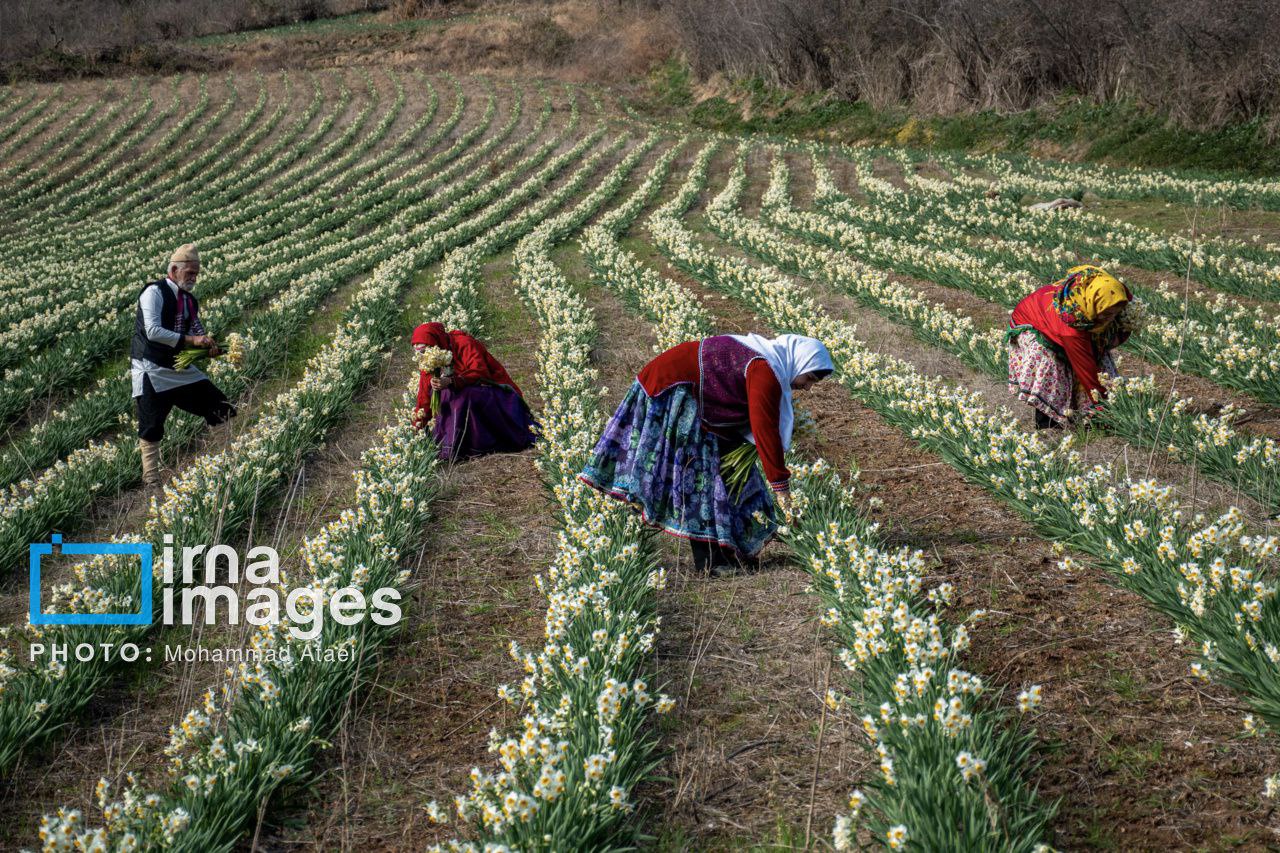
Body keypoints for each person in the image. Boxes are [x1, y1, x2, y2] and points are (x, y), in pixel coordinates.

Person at [579, 333, 834, 576]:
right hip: (676, 390)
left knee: (723, 473)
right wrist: (780, 484)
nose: (807, 388)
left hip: (691, 392)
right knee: (698, 476)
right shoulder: (765, 369)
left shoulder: (769, 361)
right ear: (801, 362)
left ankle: (730, 546)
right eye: (809, 378)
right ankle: (710, 562)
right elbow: (764, 429)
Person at [131, 243, 236, 487]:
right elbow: (153, 331)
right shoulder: (154, 293)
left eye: (196, 274)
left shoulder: (189, 300)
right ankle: (152, 481)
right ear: (174, 269)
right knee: (151, 426)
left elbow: (195, 331)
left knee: (219, 405)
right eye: (190, 273)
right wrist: (191, 340)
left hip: (178, 367)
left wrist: (210, 348)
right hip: (151, 366)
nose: (194, 278)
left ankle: (228, 461)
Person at [1007, 263, 1135, 429]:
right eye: (1107, 313)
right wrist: (1103, 406)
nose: (1110, 318)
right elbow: (1086, 369)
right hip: (1031, 321)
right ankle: (1048, 421)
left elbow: (1122, 320)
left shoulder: (1112, 293)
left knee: (1101, 358)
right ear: (1094, 305)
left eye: (1114, 314)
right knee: (1052, 362)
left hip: (1063, 321)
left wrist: (1125, 323)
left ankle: (1094, 412)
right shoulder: (1072, 325)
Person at [411, 322, 538, 461]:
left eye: (423, 351)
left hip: (492, 391)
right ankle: (454, 447)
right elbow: (424, 398)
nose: (422, 356)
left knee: (462, 395)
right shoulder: (429, 360)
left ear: (435, 343)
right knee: (445, 395)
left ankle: (480, 443)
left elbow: (481, 372)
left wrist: (452, 381)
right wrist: (416, 431)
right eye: (418, 353)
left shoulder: (463, 343)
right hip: (463, 396)